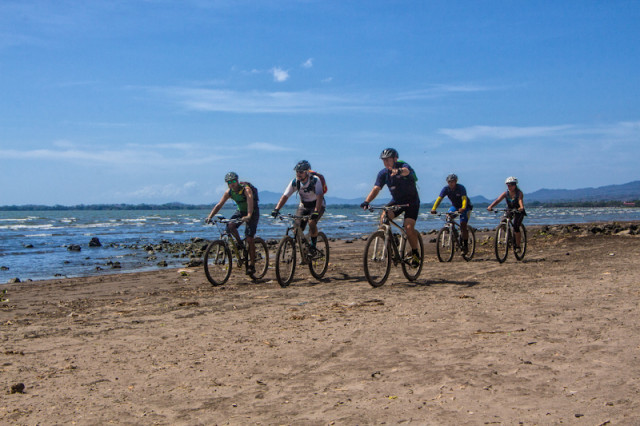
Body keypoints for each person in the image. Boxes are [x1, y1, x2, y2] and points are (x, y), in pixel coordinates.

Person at [360, 148, 421, 266]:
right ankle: (393, 239)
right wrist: (366, 201)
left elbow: (406, 171)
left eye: (388, 160)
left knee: (408, 228)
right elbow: (376, 189)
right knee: (384, 219)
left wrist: (398, 171)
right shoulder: (383, 174)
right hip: (397, 202)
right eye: (384, 160)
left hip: (411, 203)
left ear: (395, 159)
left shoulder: (403, 166)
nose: (386, 162)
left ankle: (415, 253)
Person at [206, 172, 259, 275]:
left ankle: (252, 265)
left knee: (249, 239)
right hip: (240, 211)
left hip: (252, 211)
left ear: (237, 181)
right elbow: (219, 205)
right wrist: (210, 216)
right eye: (229, 182)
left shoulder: (246, 189)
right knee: (230, 225)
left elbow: (250, 202)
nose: (232, 184)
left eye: (234, 181)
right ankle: (240, 244)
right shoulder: (229, 192)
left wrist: (248, 215)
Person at [271, 160, 325, 254]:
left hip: (317, 204)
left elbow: (320, 196)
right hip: (304, 205)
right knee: (296, 228)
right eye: (297, 171)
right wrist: (276, 209)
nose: (298, 174)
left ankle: (313, 246)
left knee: (312, 222)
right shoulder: (295, 182)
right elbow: (285, 196)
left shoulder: (315, 180)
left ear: (307, 172)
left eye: (301, 172)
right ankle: (304, 245)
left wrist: (316, 211)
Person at [430, 173, 473, 253]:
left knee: (463, 225)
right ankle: (455, 233)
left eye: (452, 182)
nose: (451, 183)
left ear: (455, 181)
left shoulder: (461, 188)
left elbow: (464, 199)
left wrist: (463, 207)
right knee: (448, 217)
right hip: (455, 206)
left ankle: (466, 245)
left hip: (466, 207)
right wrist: (433, 208)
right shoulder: (446, 189)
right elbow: (439, 199)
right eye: (449, 182)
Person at [487, 176, 527, 251]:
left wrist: (521, 207)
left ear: (515, 185)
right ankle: (509, 237)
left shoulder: (519, 193)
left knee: (516, 226)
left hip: (519, 211)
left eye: (511, 185)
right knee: (503, 221)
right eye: (508, 185)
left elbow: (520, 200)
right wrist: (490, 206)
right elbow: (498, 200)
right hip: (509, 209)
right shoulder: (506, 193)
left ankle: (518, 246)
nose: (509, 187)